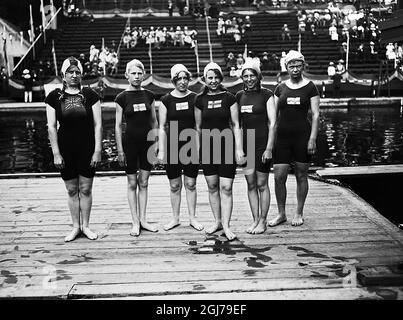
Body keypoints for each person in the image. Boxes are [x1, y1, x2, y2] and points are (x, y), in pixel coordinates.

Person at [45, 57, 102, 242]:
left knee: (85, 188)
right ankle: (75, 227)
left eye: (77, 72)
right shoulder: (54, 97)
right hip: (65, 148)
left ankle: (86, 226)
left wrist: (97, 150)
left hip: (87, 147)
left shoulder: (90, 95)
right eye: (71, 72)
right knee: (71, 190)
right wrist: (56, 153)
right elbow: (52, 126)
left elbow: (98, 125)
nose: (74, 75)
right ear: (64, 74)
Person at [268, 50, 320, 228]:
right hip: (282, 137)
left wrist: (312, 138)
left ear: (303, 66)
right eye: (291, 65)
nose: (295, 69)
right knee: (278, 176)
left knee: (301, 175)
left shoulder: (310, 87)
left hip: (302, 136)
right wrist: (270, 143)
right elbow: (273, 118)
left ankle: (298, 212)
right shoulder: (280, 88)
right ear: (286, 67)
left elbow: (315, 115)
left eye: (298, 65)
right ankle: (281, 213)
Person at [195, 62, 244, 241]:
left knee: (227, 187)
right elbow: (198, 127)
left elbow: (236, 124)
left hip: (226, 145)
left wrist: (239, 148)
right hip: (208, 146)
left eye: (216, 78)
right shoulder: (199, 99)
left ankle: (227, 225)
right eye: (210, 78)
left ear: (221, 78)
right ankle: (217, 221)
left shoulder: (229, 97)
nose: (213, 81)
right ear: (205, 79)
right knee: (213, 186)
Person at [114, 59, 159, 236]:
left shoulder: (149, 95)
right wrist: (119, 150)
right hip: (130, 144)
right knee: (132, 183)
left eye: (139, 73)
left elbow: (154, 121)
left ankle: (143, 219)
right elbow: (118, 125)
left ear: (144, 75)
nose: (137, 76)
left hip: (147, 144)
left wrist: (156, 143)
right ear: (127, 75)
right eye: (133, 73)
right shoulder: (121, 97)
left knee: (144, 182)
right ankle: (134, 222)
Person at [157, 64, 203, 232]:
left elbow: (199, 126)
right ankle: (175, 218)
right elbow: (162, 127)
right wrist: (161, 150)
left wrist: (198, 149)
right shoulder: (166, 100)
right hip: (172, 146)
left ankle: (192, 218)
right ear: (173, 81)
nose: (183, 82)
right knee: (175, 185)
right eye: (179, 79)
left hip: (190, 145)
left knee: (191, 184)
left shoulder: (195, 98)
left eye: (185, 78)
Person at [236, 59, 277, 234]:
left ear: (258, 76)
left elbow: (272, 123)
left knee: (262, 183)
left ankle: (263, 220)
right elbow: (236, 124)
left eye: (252, 75)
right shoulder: (239, 96)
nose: (249, 79)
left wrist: (269, 148)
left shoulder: (267, 94)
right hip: (247, 143)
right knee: (250, 183)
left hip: (262, 143)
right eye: (245, 76)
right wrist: (239, 148)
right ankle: (254, 219)